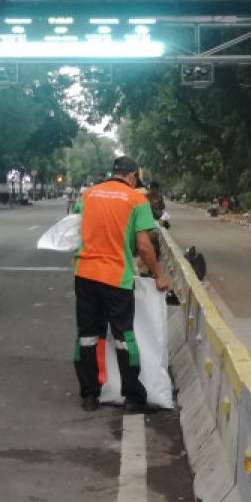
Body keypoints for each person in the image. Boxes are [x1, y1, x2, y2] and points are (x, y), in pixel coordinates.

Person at [72, 155, 169, 413]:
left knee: (87, 336)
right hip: (116, 277)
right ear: (133, 176)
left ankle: (90, 395)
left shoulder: (87, 195)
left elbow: (74, 231)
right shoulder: (137, 199)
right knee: (124, 337)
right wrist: (159, 275)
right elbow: (145, 247)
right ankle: (133, 398)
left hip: (85, 274)